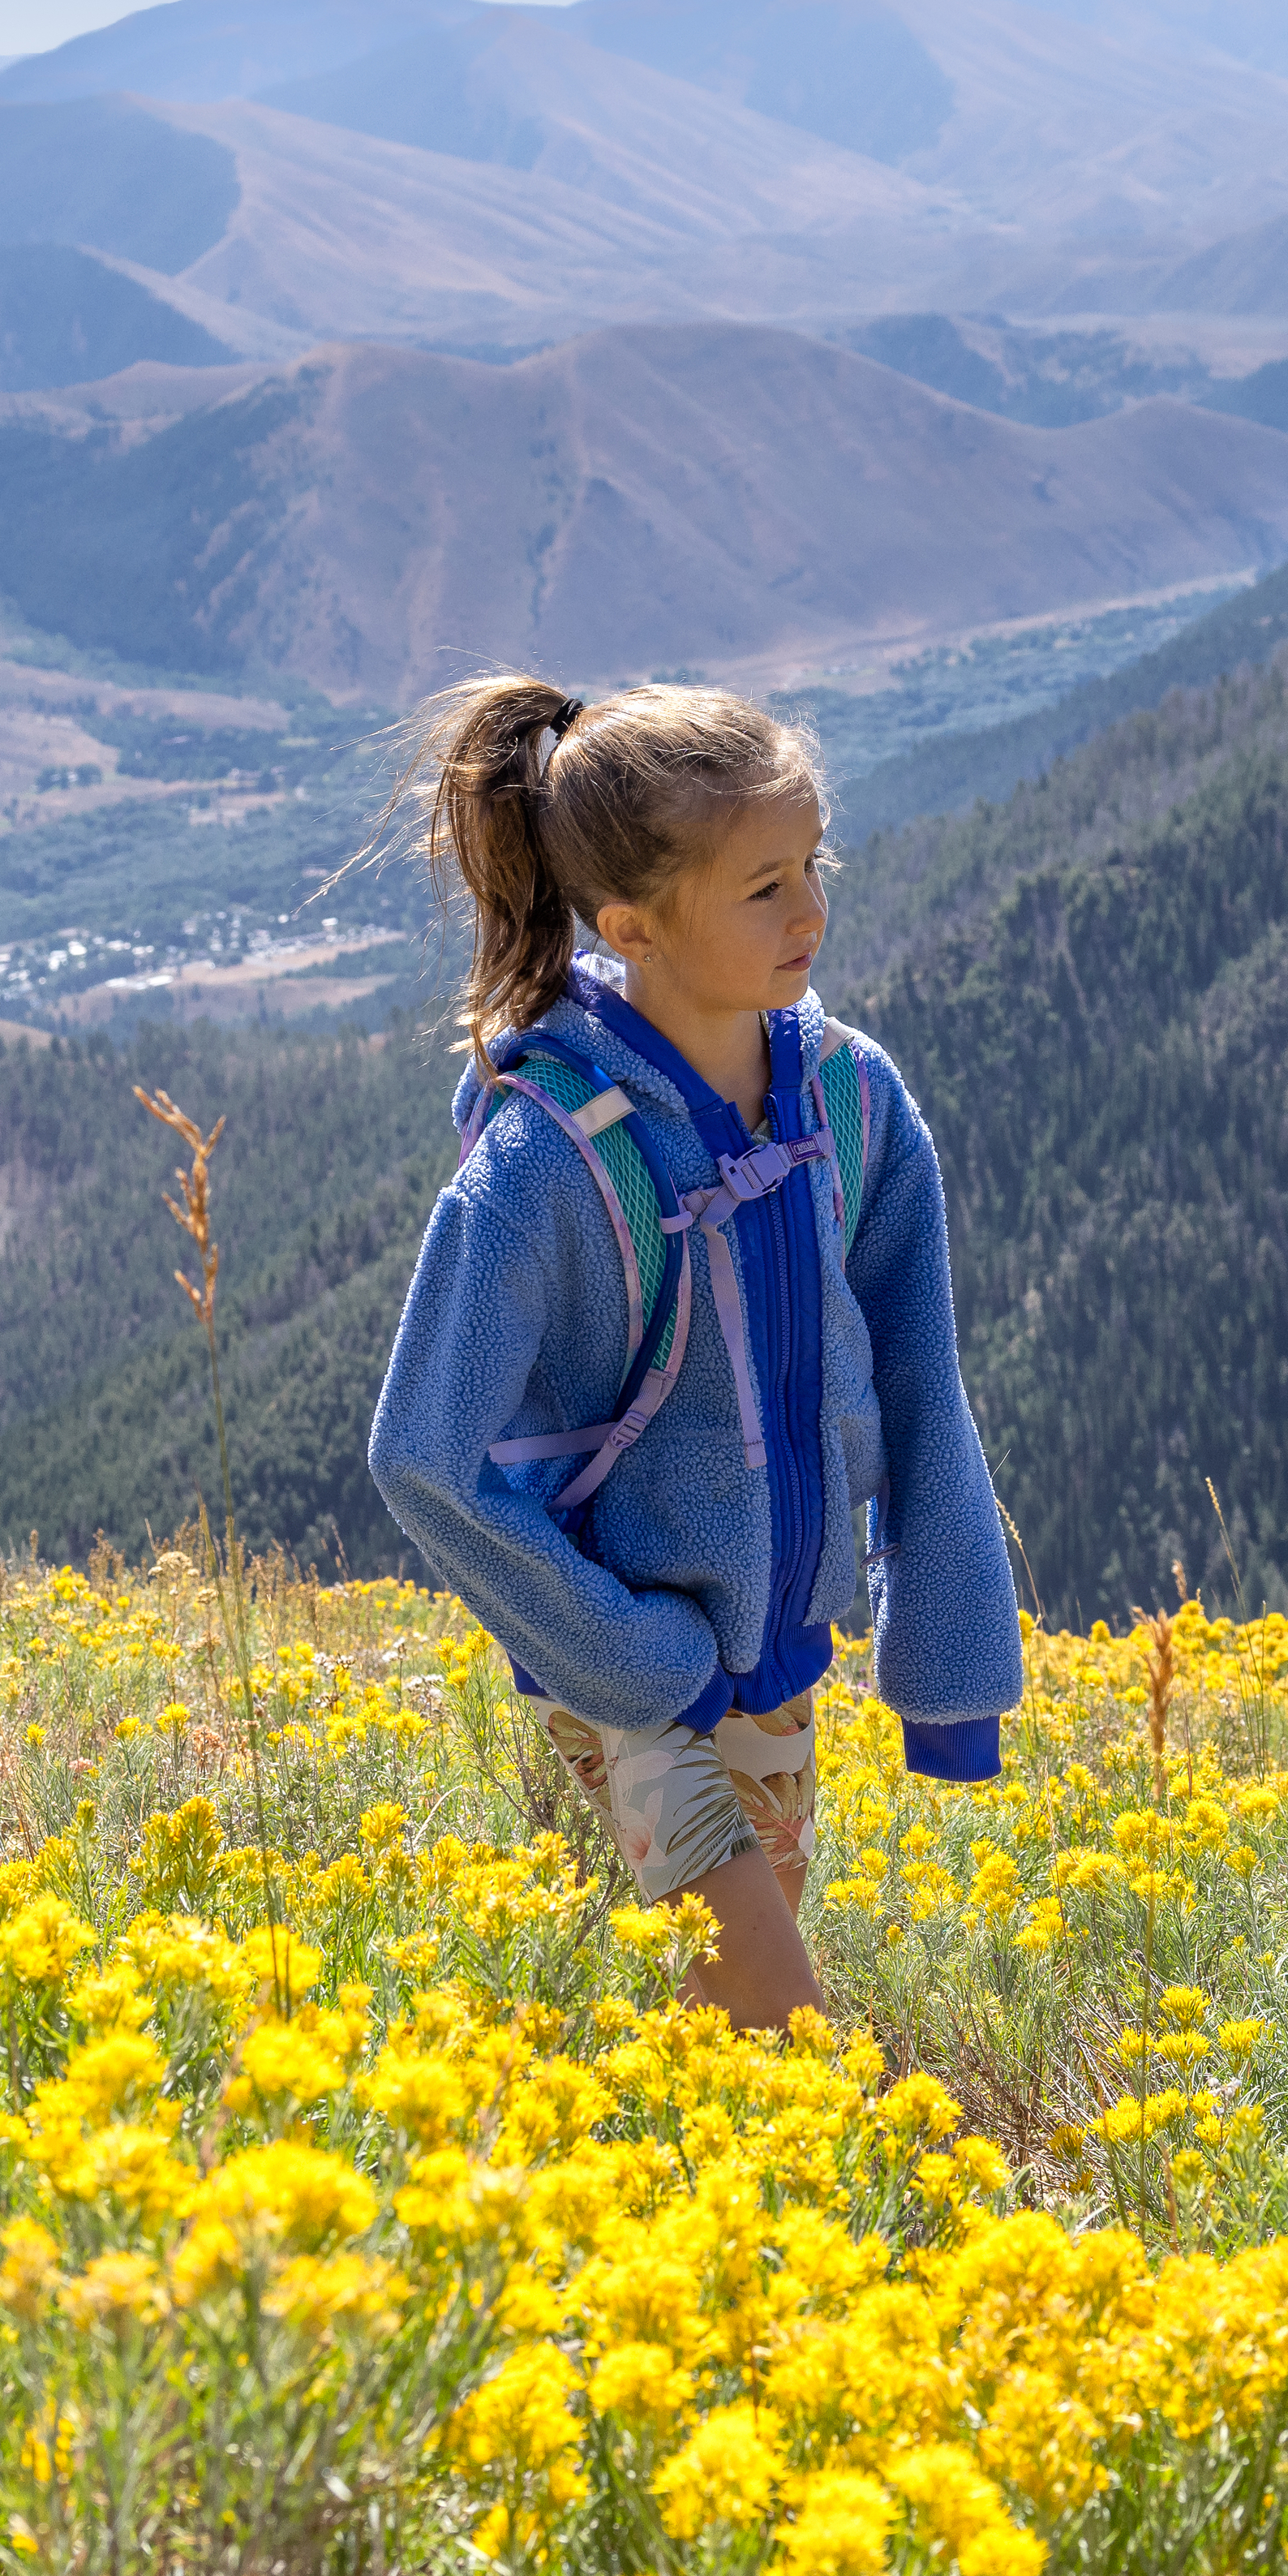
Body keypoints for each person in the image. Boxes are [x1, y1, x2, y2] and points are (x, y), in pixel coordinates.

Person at [365, 676, 1019, 2033]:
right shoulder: (552, 1154)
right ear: (632, 926)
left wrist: (947, 1675)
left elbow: (920, 1374)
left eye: (814, 864)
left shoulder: (850, 1096)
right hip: (629, 1678)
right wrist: (628, 1653)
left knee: (700, 2027)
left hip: (779, 1658)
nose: (812, 913)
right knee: (777, 2021)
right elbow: (419, 1454)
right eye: (764, 885)